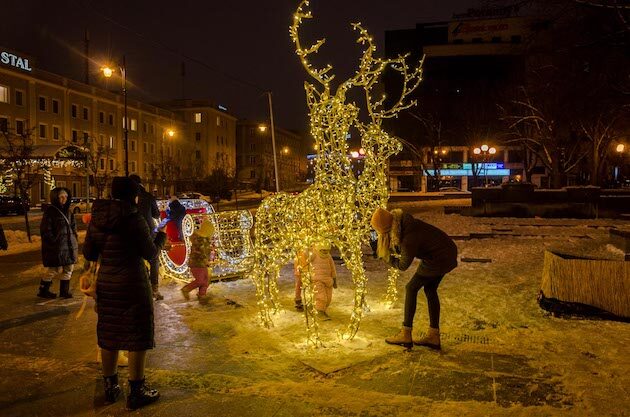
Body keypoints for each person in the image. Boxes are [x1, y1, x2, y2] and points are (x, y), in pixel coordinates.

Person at [83, 176, 167, 410]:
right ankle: (137, 390)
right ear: (134, 195)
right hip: (132, 283)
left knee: (109, 333)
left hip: (107, 284)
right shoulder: (133, 218)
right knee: (137, 334)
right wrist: (161, 237)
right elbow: (149, 253)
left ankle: (110, 387)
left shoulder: (98, 218)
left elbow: (89, 252)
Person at [371, 207, 457, 350]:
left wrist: (385, 257)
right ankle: (434, 335)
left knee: (411, 288)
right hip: (443, 252)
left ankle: (406, 333)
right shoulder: (403, 225)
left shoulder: (409, 236)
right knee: (430, 289)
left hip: (439, 257)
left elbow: (403, 264)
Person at [38, 187, 78, 299]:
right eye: (61, 197)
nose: (64, 199)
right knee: (54, 269)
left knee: (68, 268)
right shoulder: (50, 211)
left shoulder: (69, 212)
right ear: (55, 197)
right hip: (57, 247)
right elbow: (46, 230)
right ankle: (43, 289)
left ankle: (64, 291)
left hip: (69, 246)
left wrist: (74, 238)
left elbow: (73, 227)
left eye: (65, 197)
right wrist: (53, 241)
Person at [129, 174, 162, 301]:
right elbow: (156, 214)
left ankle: (140, 288)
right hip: (149, 231)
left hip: (133, 232)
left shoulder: (128, 197)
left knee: (136, 259)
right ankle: (154, 289)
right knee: (154, 259)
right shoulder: (148, 196)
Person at [294, 243, 338, 320]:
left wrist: (334, 279)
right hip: (317, 280)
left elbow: (332, 268)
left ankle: (320, 308)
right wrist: (307, 248)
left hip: (328, 280)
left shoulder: (329, 256)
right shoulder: (314, 254)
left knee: (328, 298)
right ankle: (320, 312)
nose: (325, 252)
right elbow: (307, 257)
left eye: (326, 250)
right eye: (323, 250)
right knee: (321, 297)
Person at [181, 219, 215, 303]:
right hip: (196, 263)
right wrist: (207, 258)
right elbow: (201, 252)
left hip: (202, 263)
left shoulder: (205, 240)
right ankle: (186, 289)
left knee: (206, 280)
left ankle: (202, 294)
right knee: (200, 280)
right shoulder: (200, 240)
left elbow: (206, 252)